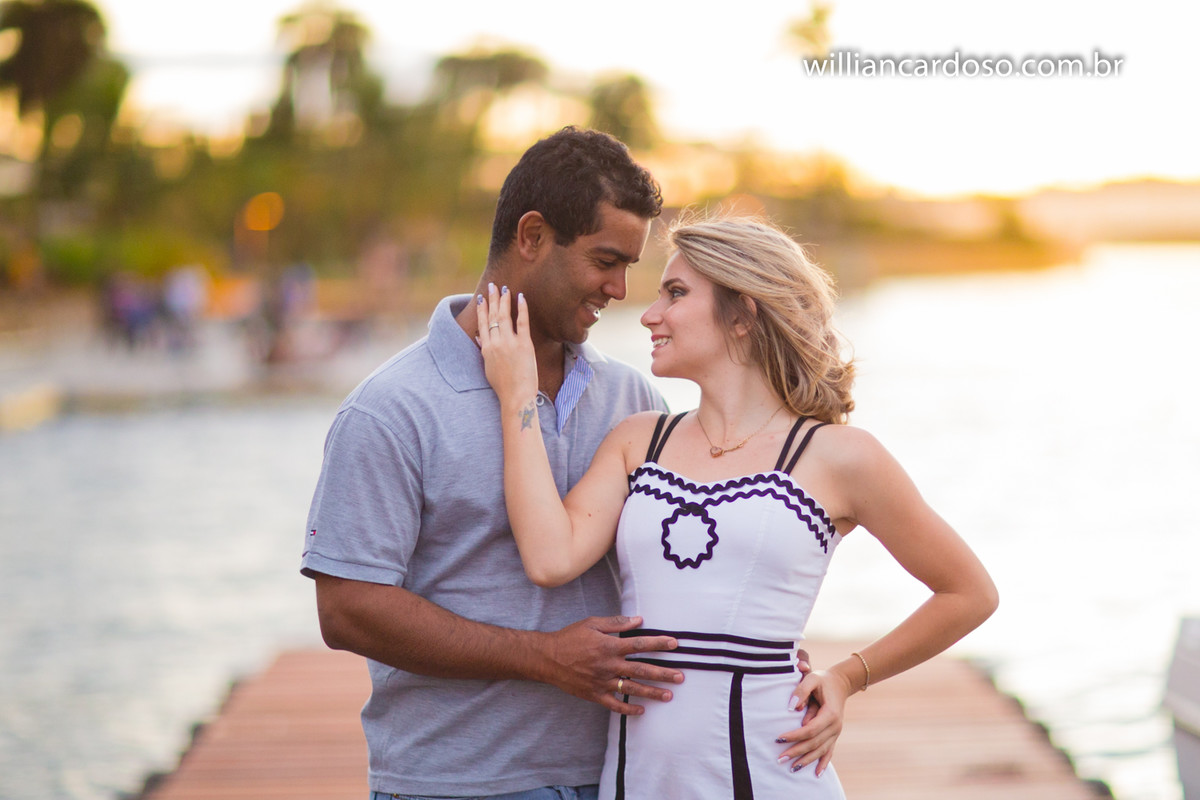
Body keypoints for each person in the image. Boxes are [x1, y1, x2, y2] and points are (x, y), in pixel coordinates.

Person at [477, 214, 1000, 799]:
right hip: (638, 783)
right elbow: (549, 558)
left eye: (675, 294)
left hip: (773, 775)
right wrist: (517, 395)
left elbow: (969, 593)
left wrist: (849, 676)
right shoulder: (637, 440)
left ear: (743, 313)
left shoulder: (839, 456)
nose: (650, 314)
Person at [301, 127, 695, 800]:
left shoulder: (633, 399)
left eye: (630, 266)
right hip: (456, 784)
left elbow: (680, 561)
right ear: (533, 236)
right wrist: (545, 659)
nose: (621, 289)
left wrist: (769, 660)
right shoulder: (390, 410)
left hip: (618, 777)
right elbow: (348, 611)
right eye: (606, 260)